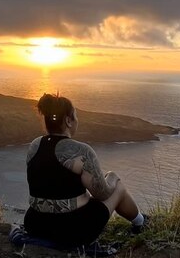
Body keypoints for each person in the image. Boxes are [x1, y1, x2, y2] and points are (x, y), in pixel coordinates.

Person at [23, 93, 147, 248]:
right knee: (117, 185)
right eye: (75, 116)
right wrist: (112, 178)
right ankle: (140, 223)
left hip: (35, 225)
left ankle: (140, 221)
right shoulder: (81, 151)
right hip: (73, 230)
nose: (77, 120)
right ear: (68, 120)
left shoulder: (35, 145)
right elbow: (103, 194)